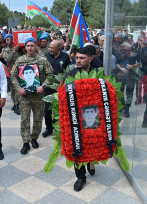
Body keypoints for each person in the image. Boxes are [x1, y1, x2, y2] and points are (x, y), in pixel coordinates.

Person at [11, 37, 53, 154]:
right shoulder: (20, 60)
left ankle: (34, 138)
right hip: (24, 96)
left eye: (32, 45)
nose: (30, 48)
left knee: (38, 119)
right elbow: (13, 76)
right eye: (28, 45)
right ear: (25, 47)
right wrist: (18, 89)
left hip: (38, 96)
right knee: (25, 119)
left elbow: (50, 75)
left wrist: (43, 86)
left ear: (36, 47)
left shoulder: (42, 60)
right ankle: (25, 142)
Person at [63, 46, 97, 191]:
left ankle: (91, 161)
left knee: (92, 143)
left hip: (93, 118)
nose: (78, 60)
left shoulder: (98, 75)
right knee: (76, 147)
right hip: (75, 119)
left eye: (82, 58)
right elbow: (62, 96)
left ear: (91, 59)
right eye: (76, 58)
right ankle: (80, 177)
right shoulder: (70, 75)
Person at [43, 40, 71, 137]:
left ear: (59, 48)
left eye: (52, 48)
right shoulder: (46, 56)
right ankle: (48, 128)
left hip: (60, 87)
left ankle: (58, 126)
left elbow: (69, 70)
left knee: (60, 108)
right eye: (50, 47)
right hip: (48, 87)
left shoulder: (65, 57)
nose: (50, 49)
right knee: (47, 109)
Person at [0, 34, 20, 114]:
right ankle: (15, 103)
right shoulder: (6, 50)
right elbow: (7, 59)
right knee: (13, 89)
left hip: (19, 70)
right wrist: (14, 51)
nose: (7, 41)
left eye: (8, 39)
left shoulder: (19, 47)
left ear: (12, 39)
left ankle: (17, 104)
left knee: (17, 88)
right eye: (6, 40)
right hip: (11, 70)